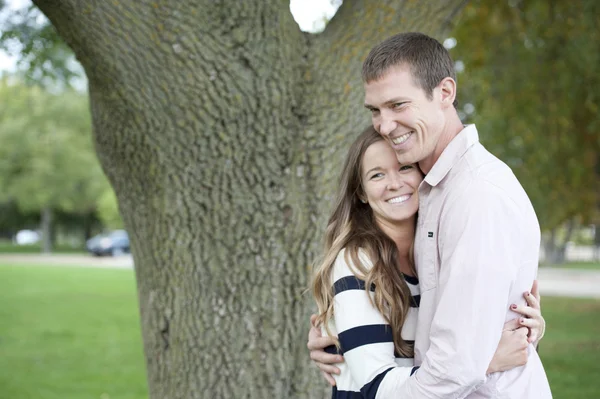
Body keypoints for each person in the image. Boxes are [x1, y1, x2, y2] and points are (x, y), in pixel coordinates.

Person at [308, 32, 551, 398]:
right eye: (375, 111)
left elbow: (456, 369)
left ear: (445, 93)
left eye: (398, 105)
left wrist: (509, 338)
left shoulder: (475, 196)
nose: (385, 125)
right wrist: (346, 334)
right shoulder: (431, 190)